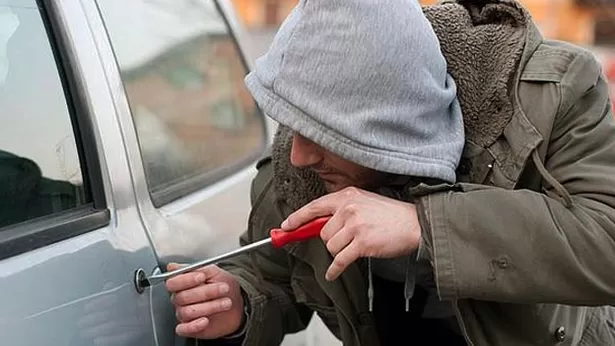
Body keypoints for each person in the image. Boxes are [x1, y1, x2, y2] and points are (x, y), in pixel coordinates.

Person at [165, 0, 615, 345]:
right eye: (295, 126)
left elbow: (606, 242)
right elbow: (274, 274)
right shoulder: (298, 169)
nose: (299, 156)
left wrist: (423, 225)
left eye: (323, 134)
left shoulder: (553, 97)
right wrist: (240, 303)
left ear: (387, 125)